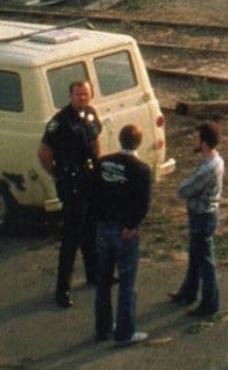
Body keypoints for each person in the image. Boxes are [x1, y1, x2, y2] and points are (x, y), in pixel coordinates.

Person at [38, 79, 103, 309]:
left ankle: (94, 274)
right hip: (71, 184)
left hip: (89, 180)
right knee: (71, 237)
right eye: (78, 94)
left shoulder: (91, 114)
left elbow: (96, 141)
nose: (82, 98)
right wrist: (56, 175)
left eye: (85, 94)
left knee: (91, 229)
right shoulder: (59, 123)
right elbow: (44, 153)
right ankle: (62, 289)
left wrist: (97, 166)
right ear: (70, 96)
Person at [93, 124, 153, 347]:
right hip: (125, 232)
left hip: (103, 228)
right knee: (127, 283)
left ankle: (102, 328)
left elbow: (93, 193)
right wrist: (131, 225)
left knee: (103, 281)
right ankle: (125, 332)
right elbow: (143, 204)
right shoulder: (141, 170)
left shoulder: (103, 163)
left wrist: (98, 219)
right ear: (138, 143)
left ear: (120, 139)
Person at [169, 122, 224, 317]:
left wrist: (183, 185)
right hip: (206, 214)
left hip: (202, 217)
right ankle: (188, 292)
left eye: (196, 138)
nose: (193, 141)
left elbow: (184, 190)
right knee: (196, 256)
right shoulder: (216, 160)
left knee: (205, 261)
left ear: (205, 143)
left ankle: (210, 303)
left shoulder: (207, 169)